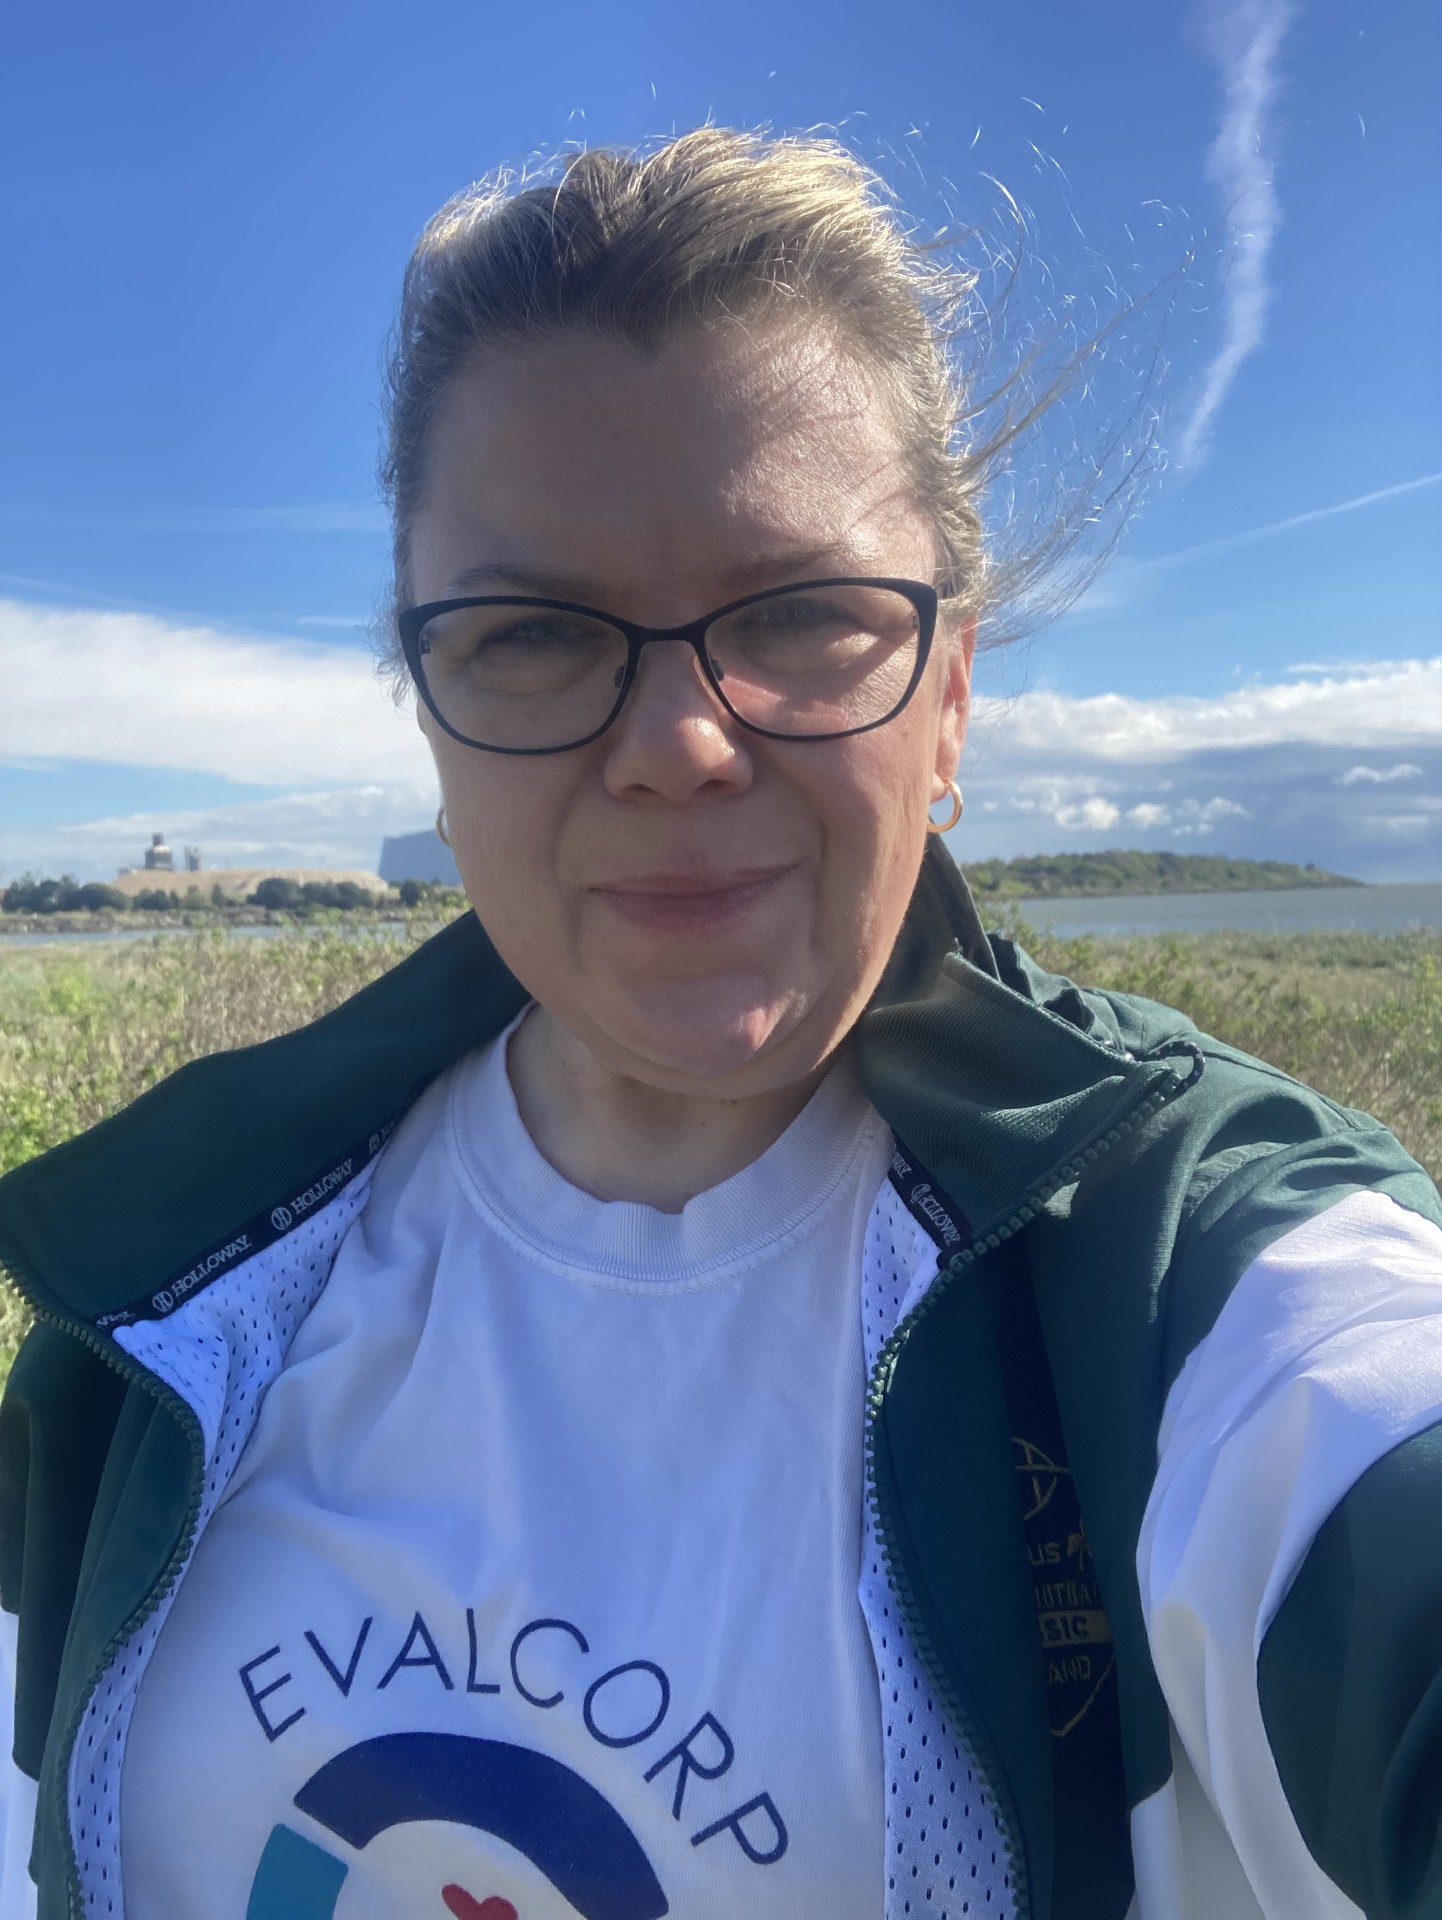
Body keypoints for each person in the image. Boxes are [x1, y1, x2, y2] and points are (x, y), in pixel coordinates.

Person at [1, 128, 1439, 1920]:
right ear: (430, 709)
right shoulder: (165, 1301)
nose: (678, 743)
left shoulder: (1182, 1297)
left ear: (951, 704)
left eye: (803, 616)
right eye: (532, 632)